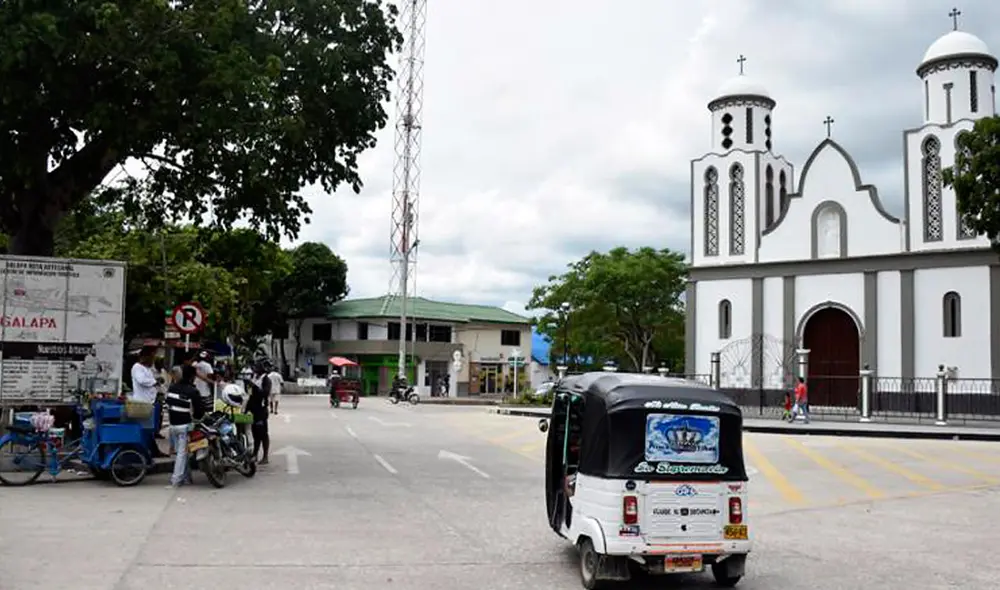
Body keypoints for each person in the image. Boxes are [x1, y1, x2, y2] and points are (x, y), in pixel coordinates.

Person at [164, 364, 205, 489]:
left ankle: (187, 478)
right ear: (192, 377)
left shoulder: (172, 388)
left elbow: (168, 404)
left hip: (172, 425)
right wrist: (197, 419)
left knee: (182, 453)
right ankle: (176, 480)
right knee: (182, 454)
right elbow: (199, 411)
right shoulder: (193, 391)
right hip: (185, 426)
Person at [245, 362, 271, 465]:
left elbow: (265, 393)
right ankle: (255, 454)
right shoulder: (255, 377)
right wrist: (247, 409)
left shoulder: (266, 380)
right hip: (254, 409)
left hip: (261, 410)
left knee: (263, 433)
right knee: (255, 433)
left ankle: (265, 456)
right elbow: (251, 395)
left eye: (256, 368)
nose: (254, 369)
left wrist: (254, 386)